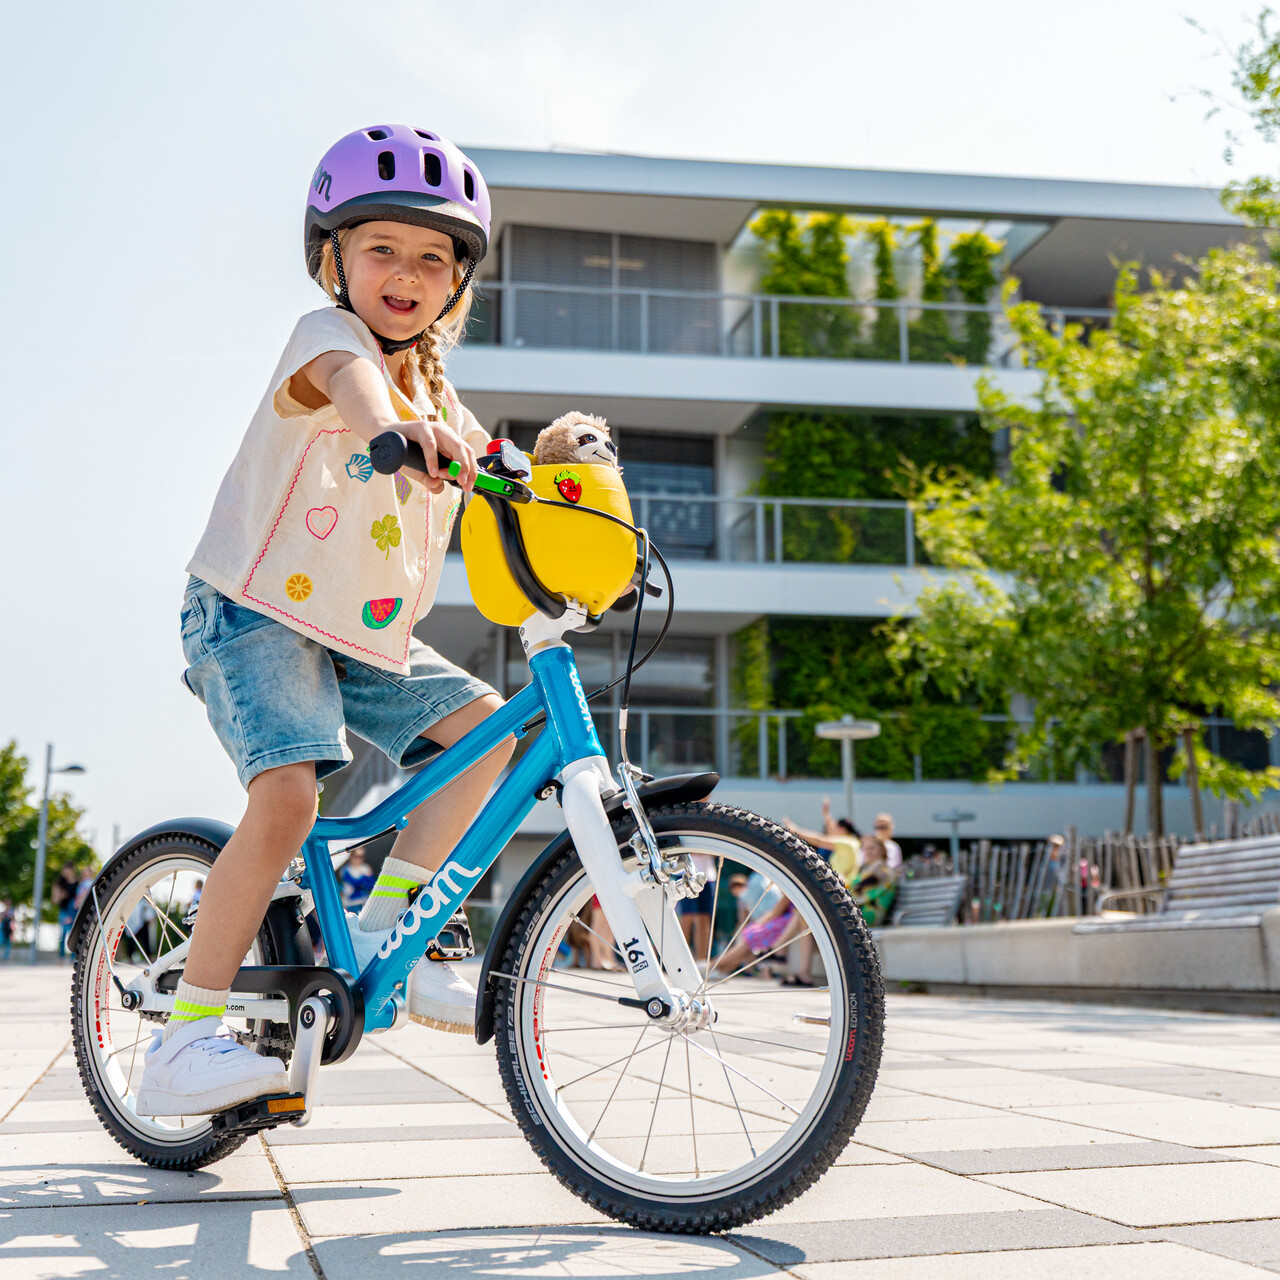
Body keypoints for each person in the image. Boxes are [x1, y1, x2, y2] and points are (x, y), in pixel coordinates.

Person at [137, 125, 510, 1120]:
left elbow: (497, 459)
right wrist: (395, 427)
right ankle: (179, 1045)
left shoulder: (437, 390)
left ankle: (401, 929)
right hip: (251, 608)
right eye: (381, 248)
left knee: (489, 734)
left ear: (455, 282)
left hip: (355, 632)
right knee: (291, 799)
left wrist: (570, 478)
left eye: (435, 257)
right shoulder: (327, 339)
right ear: (333, 258)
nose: (407, 272)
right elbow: (357, 390)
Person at [51, 863, 79, 960]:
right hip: (64, 911)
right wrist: (61, 895)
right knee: (63, 935)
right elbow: (54, 900)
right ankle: (61, 956)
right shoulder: (59, 884)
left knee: (74, 934)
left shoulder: (78, 883)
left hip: (75, 912)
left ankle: (73, 956)